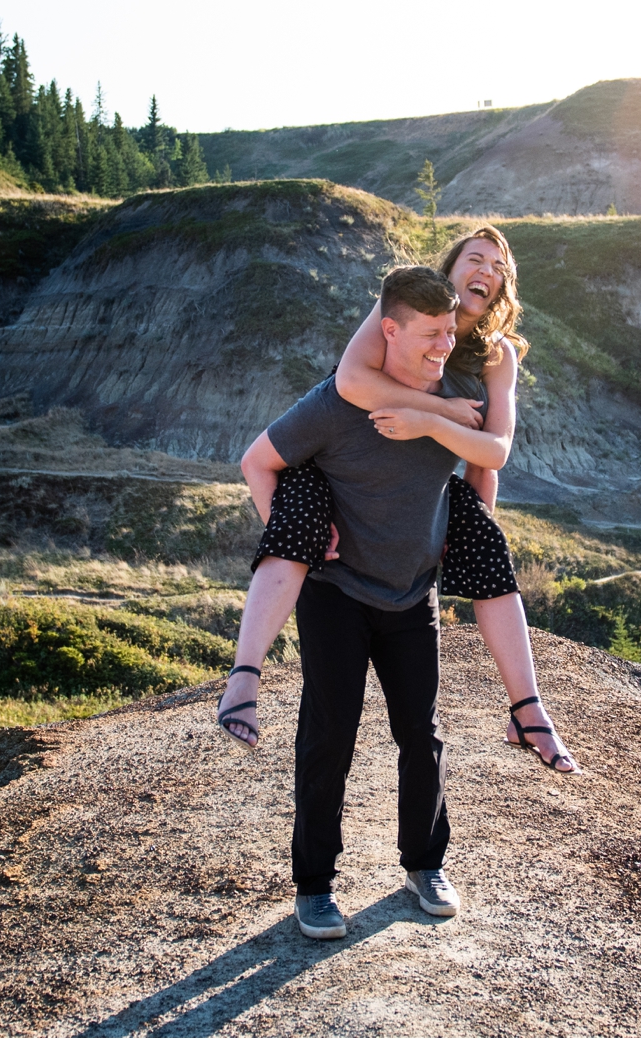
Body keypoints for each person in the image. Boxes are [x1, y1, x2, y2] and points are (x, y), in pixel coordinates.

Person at [217, 226, 578, 774]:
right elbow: (352, 384)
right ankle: (245, 675)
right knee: (295, 515)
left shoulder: (496, 356)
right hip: (340, 462)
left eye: (500, 266)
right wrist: (440, 412)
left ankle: (527, 712)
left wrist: (466, 519)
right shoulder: (405, 303)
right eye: (476, 259)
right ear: (451, 269)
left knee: (488, 549)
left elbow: (493, 455)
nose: (488, 270)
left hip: (425, 488)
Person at [237, 265, 489, 940]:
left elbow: (486, 464)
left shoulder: (460, 394)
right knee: (330, 737)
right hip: (337, 596)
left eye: (450, 333)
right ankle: (315, 886)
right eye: (431, 335)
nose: (444, 346)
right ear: (389, 330)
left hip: (413, 594)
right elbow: (256, 461)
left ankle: (424, 865)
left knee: (422, 734)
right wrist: (302, 540)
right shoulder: (335, 403)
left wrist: (460, 546)